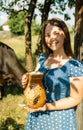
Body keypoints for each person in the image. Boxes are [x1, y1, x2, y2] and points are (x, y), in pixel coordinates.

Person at [21, 18, 83, 130]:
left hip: (59, 120)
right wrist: (27, 81)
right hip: (37, 116)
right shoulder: (42, 59)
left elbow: (75, 99)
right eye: (47, 35)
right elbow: (35, 86)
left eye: (56, 33)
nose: (51, 38)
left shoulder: (74, 66)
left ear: (65, 34)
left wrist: (47, 107)